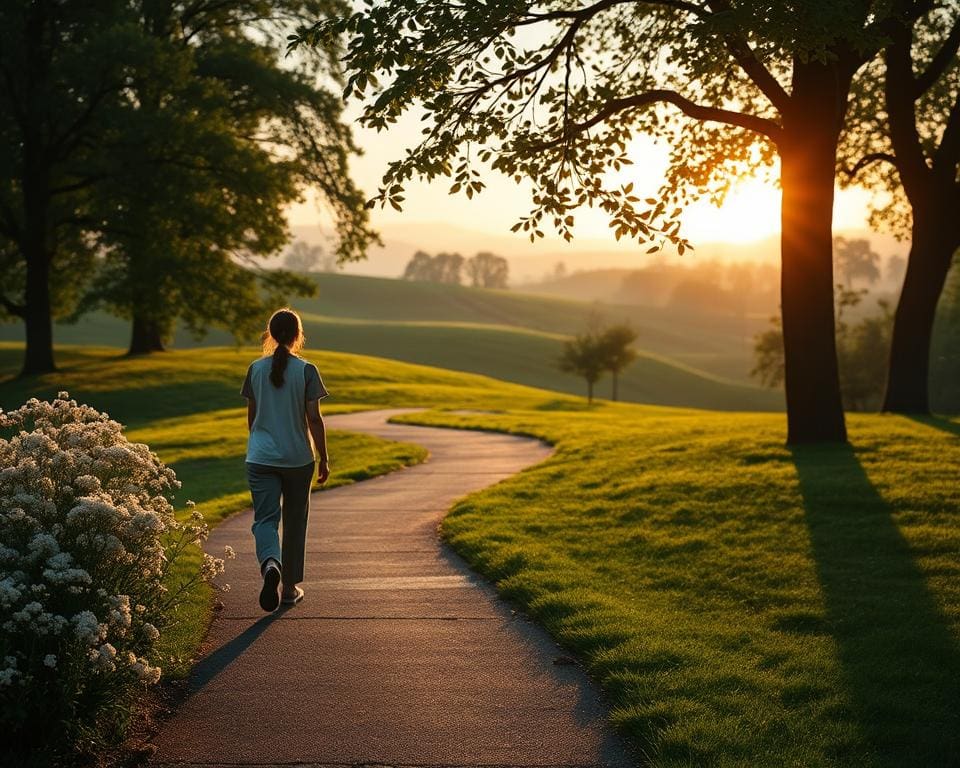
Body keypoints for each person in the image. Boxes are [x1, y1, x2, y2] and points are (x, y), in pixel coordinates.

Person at [241, 308, 330, 611]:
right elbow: (314, 420)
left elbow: (251, 420)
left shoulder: (255, 369)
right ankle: (289, 589)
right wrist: (324, 458)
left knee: (265, 520)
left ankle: (270, 564)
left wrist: (260, 443)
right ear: (297, 336)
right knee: (294, 521)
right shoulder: (307, 370)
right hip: (297, 459)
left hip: (261, 458)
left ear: (270, 334)